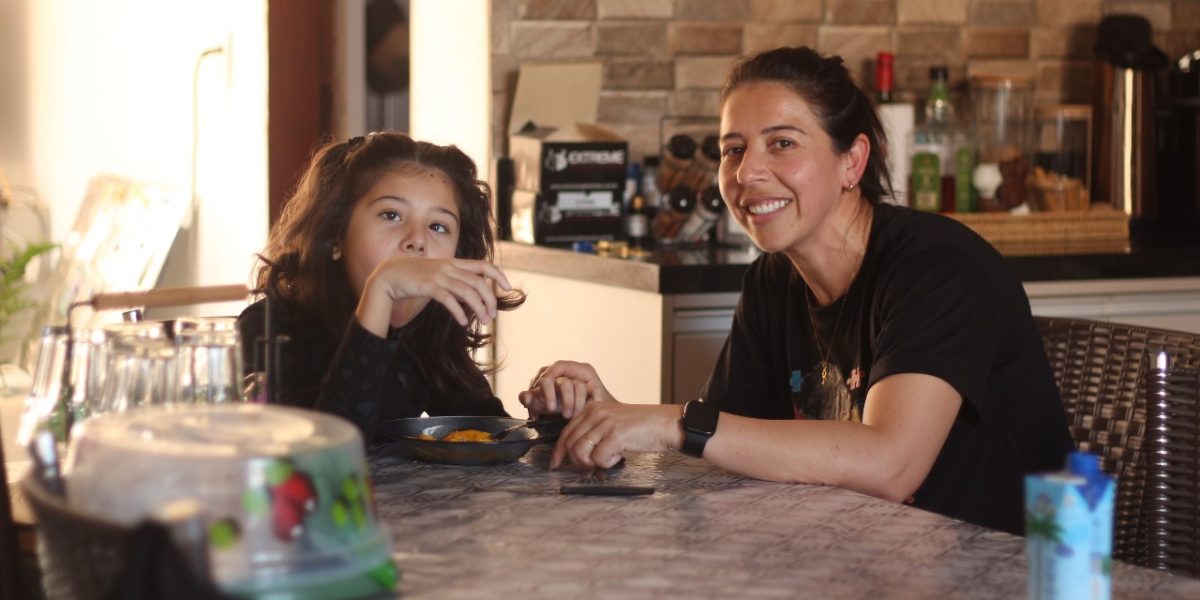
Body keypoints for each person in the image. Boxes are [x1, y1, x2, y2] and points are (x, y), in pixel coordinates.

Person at [520, 47, 1073, 535]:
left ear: (852, 161)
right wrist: (611, 416)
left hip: (1006, 572)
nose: (747, 172)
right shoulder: (774, 279)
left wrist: (670, 422)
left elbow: (891, 466)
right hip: (859, 553)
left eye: (782, 143)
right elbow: (719, 446)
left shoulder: (937, 272)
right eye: (733, 149)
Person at [239, 132, 526, 443]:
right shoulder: (268, 328)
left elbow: (495, 436)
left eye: (438, 226)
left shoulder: (425, 333)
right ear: (336, 237)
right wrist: (380, 290)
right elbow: (324, 457)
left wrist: (552, 411)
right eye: (391, 215)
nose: (417, 240)